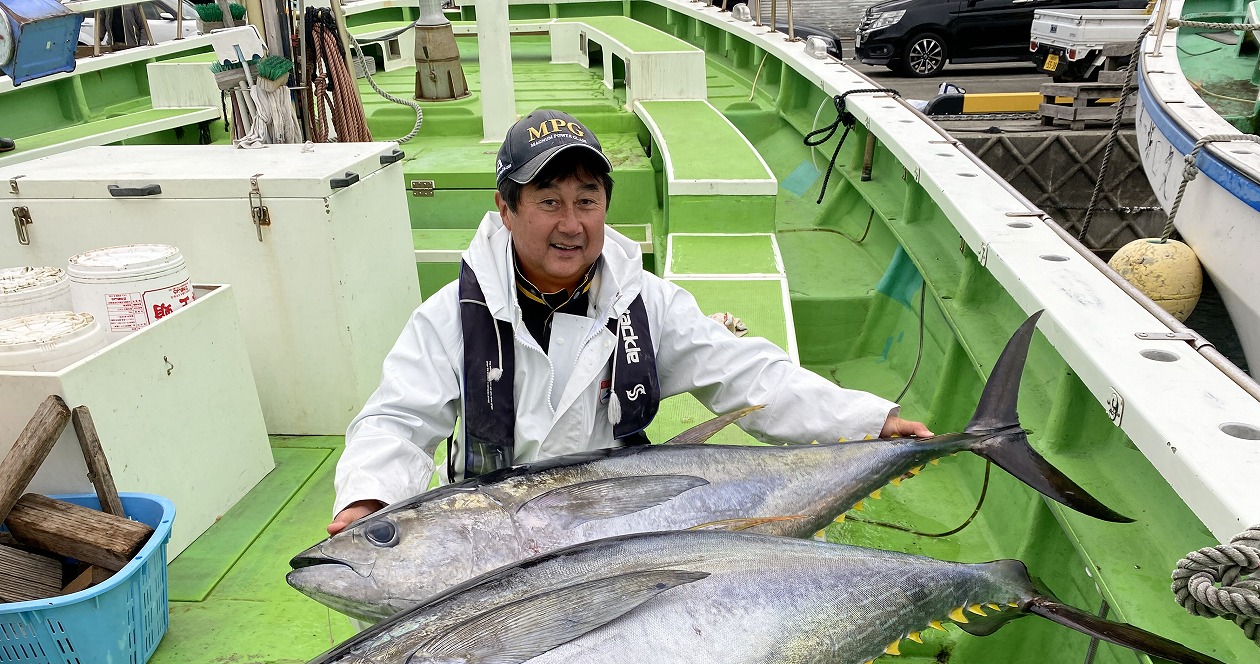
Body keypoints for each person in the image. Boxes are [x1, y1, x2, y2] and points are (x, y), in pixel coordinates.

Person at [329, 108, 931, 534]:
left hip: (618, 524)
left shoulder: (648, 302)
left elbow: (749, 375)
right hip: (490, 527)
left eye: (587, 201)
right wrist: (367, 498)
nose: (572, 224)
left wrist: (868, 421)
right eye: (548, 202)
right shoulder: (452, 315)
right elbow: (398, 420)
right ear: (506, 211)